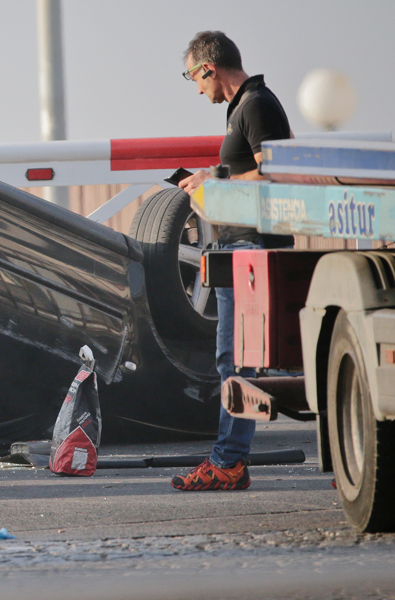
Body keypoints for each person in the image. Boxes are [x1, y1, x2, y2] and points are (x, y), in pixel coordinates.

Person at [172, 31, 293, 492]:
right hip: (238, 246)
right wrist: (213, 180)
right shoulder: (242, 106)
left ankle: (228, 461)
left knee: (236, 360)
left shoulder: (257, 104)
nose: (195, 87)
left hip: (251, 246)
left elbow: (278, 171)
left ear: (209, 69)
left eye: (193, 77)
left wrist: (214, 182)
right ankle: (230, 460)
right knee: (234, 359)